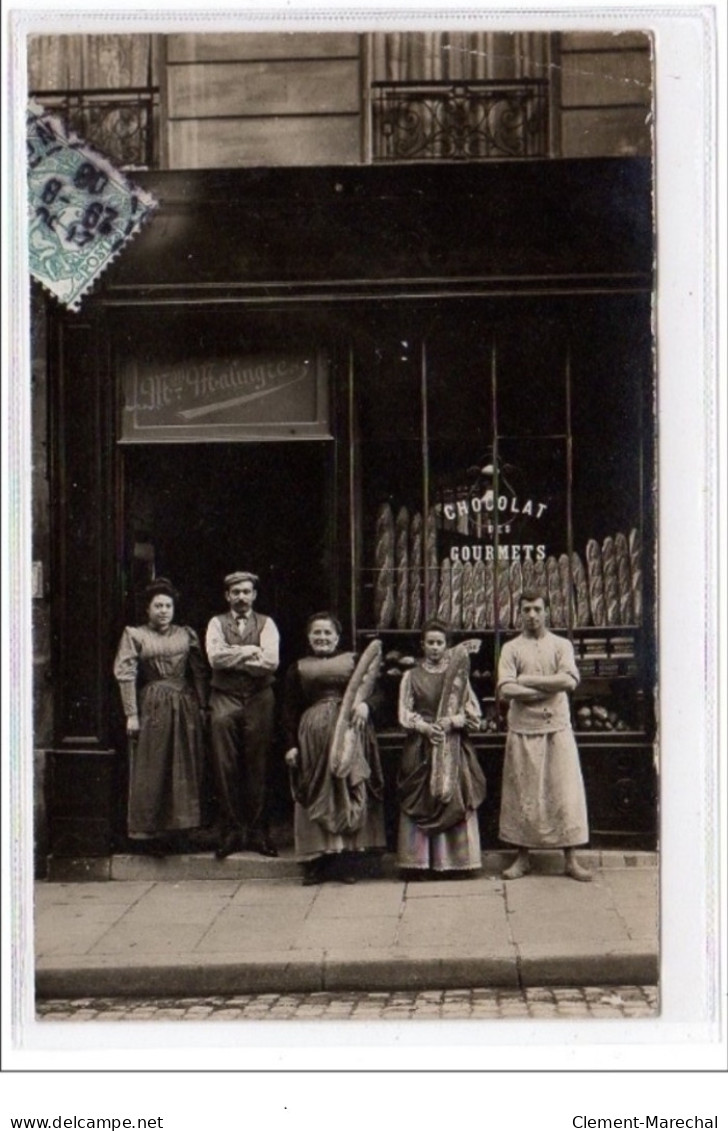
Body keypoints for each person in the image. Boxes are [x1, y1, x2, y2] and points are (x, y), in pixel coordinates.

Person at [283, 613, 386, 885]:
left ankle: (346, 862)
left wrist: (367, 705)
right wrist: (291, 745)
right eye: (316, 633)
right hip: (313, 740)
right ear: (308, 637)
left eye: (327, 633)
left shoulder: (354, 661)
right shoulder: (298, 668)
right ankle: (316, 862)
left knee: (349, 791)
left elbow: (376, 690)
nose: (322, 638)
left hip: (351, 733)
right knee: (315, 793)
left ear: (337, 637)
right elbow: (288, 709)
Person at [497, 588, 592, 881]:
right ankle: (522, 858)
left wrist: (528, 681)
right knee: (523, 795)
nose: (532, 615)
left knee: (564, 792)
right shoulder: (511, 648)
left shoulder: (561, 645)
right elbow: (505, 689)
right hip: (523, 730)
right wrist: (546, 688)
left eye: (537, 609)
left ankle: (571, 860)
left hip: (557, 729)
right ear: (519, 612)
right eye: (526, 609)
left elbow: (569, 680)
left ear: (546, 610)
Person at [113, 578, 208, 855]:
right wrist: (131, 714)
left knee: (185, 765)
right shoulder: (135, 635)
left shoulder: (186, 634)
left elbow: (199, 671)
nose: (164, 611)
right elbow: (125, 674)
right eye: (158, 606)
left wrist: (202, 706)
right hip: (153, 705)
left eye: (168, 605)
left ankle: (183, 832)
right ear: (148, 609)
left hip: (185, 704)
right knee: (154, 766)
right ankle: (153, 835)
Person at [396, 619, 486, 877]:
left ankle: (456, 863)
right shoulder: (410, 676)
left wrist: (451, 722)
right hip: (421, 745)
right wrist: (425, 728)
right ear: (422, 645)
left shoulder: (458, 677)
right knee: (420, 797)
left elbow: (474, 715)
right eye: (430, 642)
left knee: (455, 796)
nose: (435, 647)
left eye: (440, 643)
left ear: (447, 646)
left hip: (453, 745)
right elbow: (404, 712)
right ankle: (419, 863)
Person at [205, 571, 280, 859]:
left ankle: (259, 831)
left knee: (258, 763)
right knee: (225, 763)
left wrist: (233, 654)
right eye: (235, 592)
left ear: (254, 595)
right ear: (227, 596)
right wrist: (251, 651)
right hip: (224, 697)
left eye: (246, 592)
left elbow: (271, 662)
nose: (241, 597)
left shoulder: (267, 623)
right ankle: (232, 831)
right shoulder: (216, 623)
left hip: (260, 698)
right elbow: (215, 658)